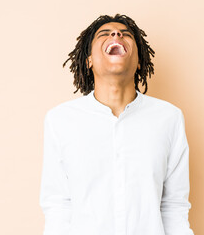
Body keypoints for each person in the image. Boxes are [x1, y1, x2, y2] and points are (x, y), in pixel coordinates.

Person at [39, 14, 194, 235]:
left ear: (139, 60)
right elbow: (58, 205)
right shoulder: (60, 120)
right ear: (89, 60)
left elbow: (174, 207)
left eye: (125, 34)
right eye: (105, 34)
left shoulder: (169, 118)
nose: (116, 34)